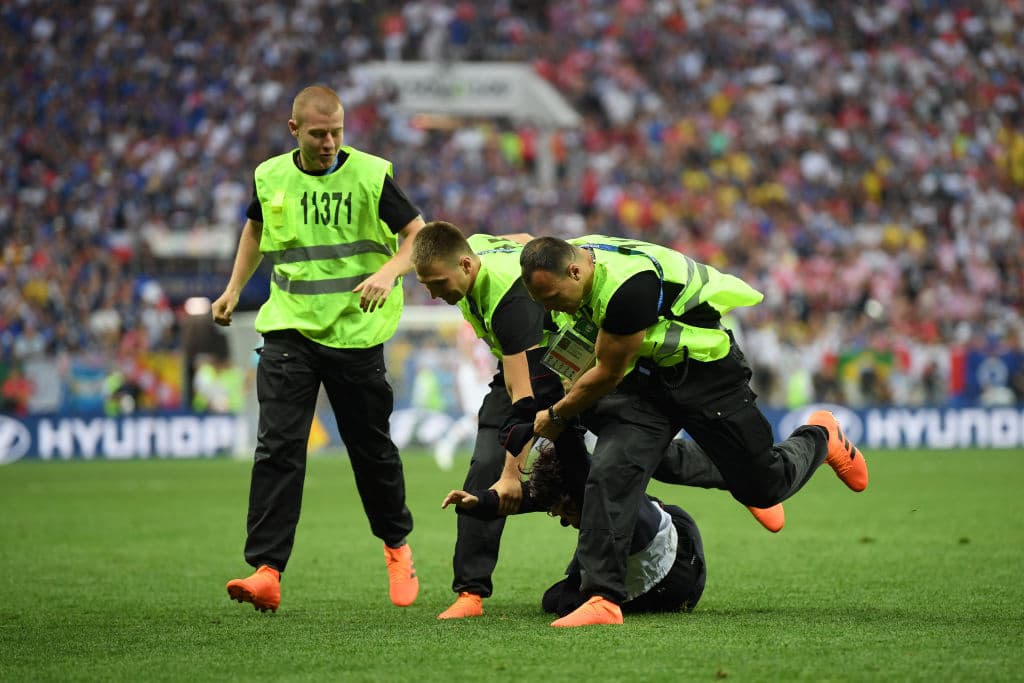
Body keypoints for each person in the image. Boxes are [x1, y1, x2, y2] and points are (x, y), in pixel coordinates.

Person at [411, 221, 783, 621]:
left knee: (592, 455)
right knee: (593, 459)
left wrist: (510, 473)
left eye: (437, 283)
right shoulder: (479, 250)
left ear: (466, 265)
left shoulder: (511, 304)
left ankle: (736, 479)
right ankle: (472, 591)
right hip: (549, 360)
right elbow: (523, 242)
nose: (432, 294)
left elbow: (525, 401)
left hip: (554, 368)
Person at [519, 235, 869, 627]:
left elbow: (607, 374)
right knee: (611, 469)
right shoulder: (562, 267)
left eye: (552, 297)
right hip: (644, 385)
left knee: (764, 484)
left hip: (703, 372)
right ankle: (603, 598)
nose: (548, 308)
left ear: (575, 271)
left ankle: (821, 436)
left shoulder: (627, 288)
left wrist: (558, 415)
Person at [212, 84, 425, 613]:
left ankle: (396, 546)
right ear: (294, 131)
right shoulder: (270, 176)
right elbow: (255, 230)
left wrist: (388, 272)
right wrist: (234, 288)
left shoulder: (371, 174)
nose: (329, 143)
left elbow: (419, 236)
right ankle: (266, 571)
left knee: (371, 451)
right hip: (289, 331)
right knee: (278, 448)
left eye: (336, 133)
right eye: (318, 134)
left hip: (356, 333)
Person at [441, 439, 706, 618]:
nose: (564, 522)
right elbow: (531, 497)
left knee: (564, 603)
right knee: (554, 599)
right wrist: (480, 500)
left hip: (678, 575)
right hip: (665, 532)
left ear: (577, 494)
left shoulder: (599, 490)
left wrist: (560, 421)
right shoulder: (581, 492)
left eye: (564, 513)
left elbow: (578, 463)